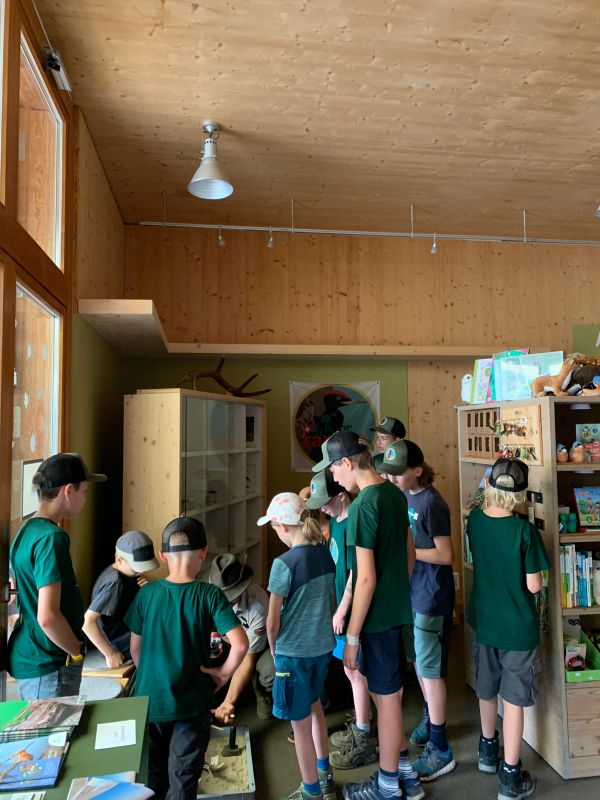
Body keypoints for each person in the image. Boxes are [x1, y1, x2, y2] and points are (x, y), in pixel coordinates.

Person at [314, 431, 421, 800]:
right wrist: (397, 592)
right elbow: (409, 554)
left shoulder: (362, 507)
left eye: (333, 469)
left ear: (347, 462)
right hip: (396, 614)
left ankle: (388, 786)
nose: (333, 477)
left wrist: (352, 637)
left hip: (375, 622)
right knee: (385, 696)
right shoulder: (393, 493)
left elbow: (364, 578)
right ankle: (406, 773)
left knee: (387, 703)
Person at [124, 516, 248, 800]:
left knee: (152, 775)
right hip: (191, 703)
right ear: (204, 553)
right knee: (183, 779)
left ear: (162, 555)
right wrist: (223, 674)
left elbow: (135, 649)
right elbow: (241, 644)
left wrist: (153, 674)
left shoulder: (147, 594)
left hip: (150, 701)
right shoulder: (209, 594)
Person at [466, 458, 549, 800]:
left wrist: (485, 483)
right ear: (522, 494)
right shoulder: (524, 531)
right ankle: (510, 777)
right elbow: (533, 586)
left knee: (486, 688)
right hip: (516, 629)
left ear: (490, 485)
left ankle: (487, 751)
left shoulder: (475, 521)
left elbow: (476, 503)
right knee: (513, 700)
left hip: (484, 621)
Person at [378, 440, 456, 782]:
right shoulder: (405, 495)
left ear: (418, 471)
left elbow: (446, 554)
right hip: (412, 594)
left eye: (398, 473)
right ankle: (431, 718)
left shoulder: (432, 503)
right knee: (421, 666)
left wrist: (406, 552)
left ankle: (441, 747)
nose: (392, 478)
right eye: (389, 473)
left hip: (431, 597)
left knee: (430, 670)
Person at [8, 453, 107, 700]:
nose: (86, 498)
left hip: (31, 651)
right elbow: (47, 617)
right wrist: (76, 651)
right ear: (68, 490)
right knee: (53, 726)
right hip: (48, 661)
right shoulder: (52, 538)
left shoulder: (27, 529)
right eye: (84, 491)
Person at [261, 492, 337, 800]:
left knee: (300, 726)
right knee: (316, 707)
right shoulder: (324, 554)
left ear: (281, 526)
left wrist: (274, 651)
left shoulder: (283, 563)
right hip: (322, 648)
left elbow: (271, 622)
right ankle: (325, 774)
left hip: (293, 653)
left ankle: (311, 791)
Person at [307, 469, 377, 770]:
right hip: (338, 607)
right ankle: (362, 723)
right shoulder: (335, 522)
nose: (322, 509)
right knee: (351, 672)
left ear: (341, 495)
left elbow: (355, 573)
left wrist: (343, 609)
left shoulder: (352, 524)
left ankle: (363, 735)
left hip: (350, 611)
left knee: (356, 671)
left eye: (325, 502)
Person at [208, 553, 275, 722]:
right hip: (225, 638)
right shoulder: (205, 591)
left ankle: (260, 691)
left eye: (230, 598)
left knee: (270, 671)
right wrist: (214, 640)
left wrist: (229, 702)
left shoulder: (258, 605)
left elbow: (247, 658)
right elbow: (207, 624)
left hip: (253, 645)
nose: (225, 603)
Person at [82, 530, 159, 667]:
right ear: (119, 560)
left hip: (129, 631)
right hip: (118, 643)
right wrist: (110, 653)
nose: (140, 572)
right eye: (136, 568)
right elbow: (87, 622)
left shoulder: (125, 573)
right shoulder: (114, 582)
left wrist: (146, 590)